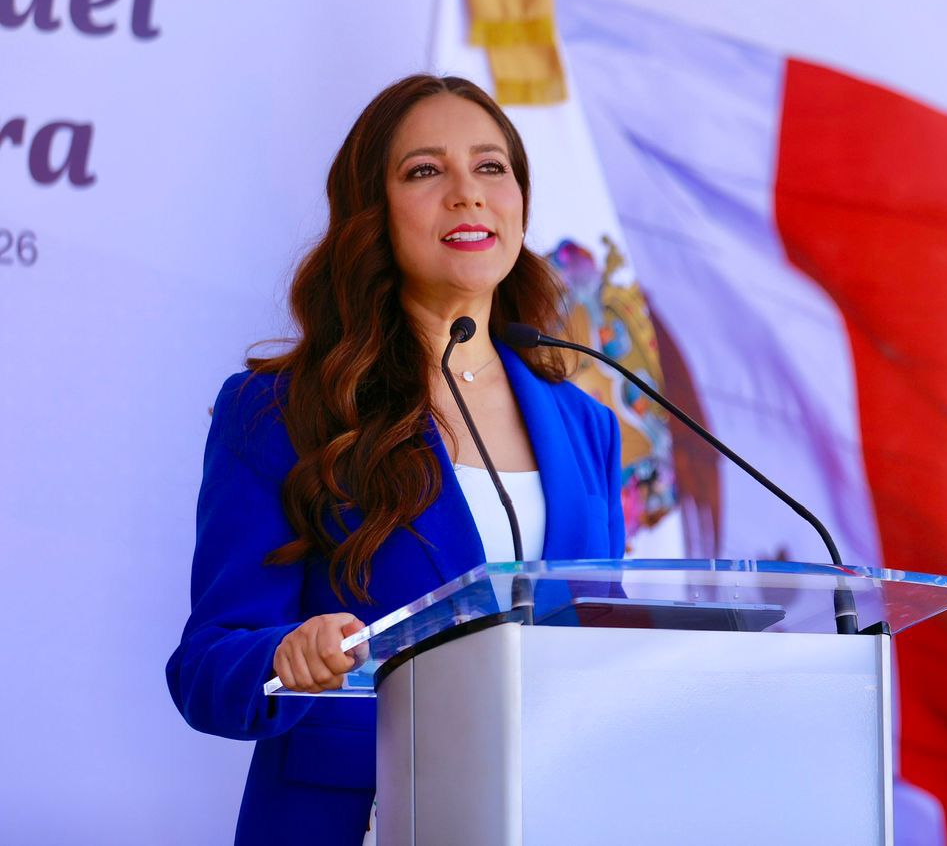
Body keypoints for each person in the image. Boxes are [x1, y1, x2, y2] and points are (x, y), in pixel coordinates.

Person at [166, 74, 625, 846]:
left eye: (490, 167)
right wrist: (285, 653)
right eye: (425, 170)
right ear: (372, 212)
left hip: (549, 814)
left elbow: (606, 644)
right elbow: (207, 664)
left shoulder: (587, 426)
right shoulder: (279, 411)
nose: (467, 193)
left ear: (520, 200)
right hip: (352, 820)